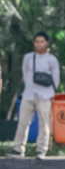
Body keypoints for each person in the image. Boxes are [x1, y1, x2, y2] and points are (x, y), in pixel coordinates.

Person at [8, 32, 60, 160]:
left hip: (45, 95)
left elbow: (56, 79)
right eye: (37, 41)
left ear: (46, 43)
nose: (39, 44)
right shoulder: (28, 57)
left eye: (42, 42)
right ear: (34, 43)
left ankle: (41, 150)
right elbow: (25, 74)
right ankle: (18, 149)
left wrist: (50, 93)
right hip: (29, 94)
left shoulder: (52, 59)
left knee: (44, 123)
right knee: (23, 122)